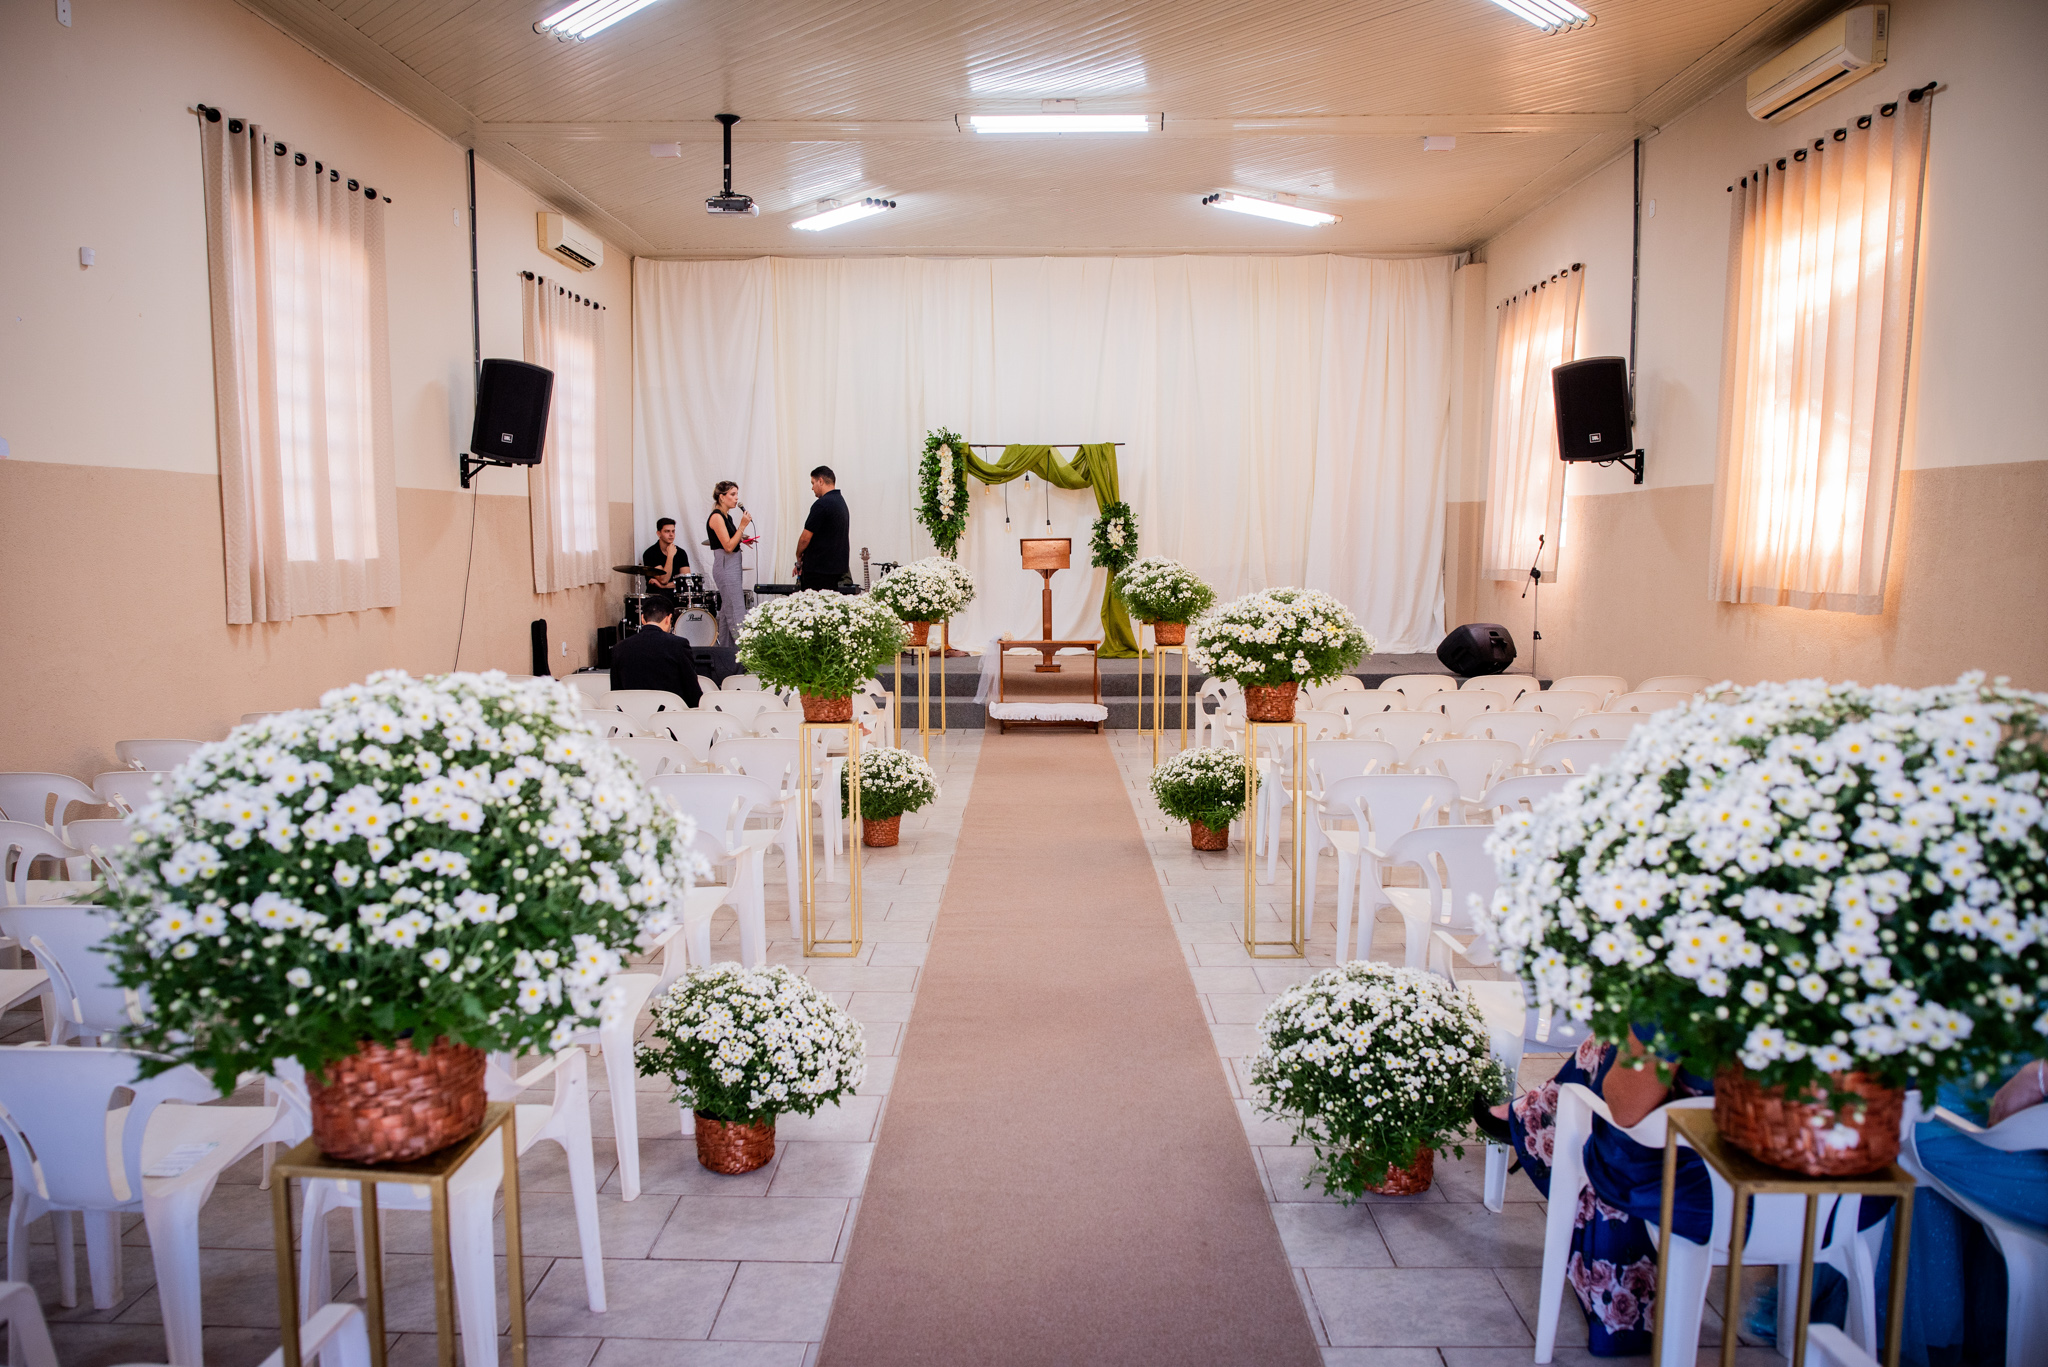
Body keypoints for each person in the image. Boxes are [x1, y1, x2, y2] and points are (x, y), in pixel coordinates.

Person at [1476, 1030, 1715, 1354]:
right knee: (1612, 1046)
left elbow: (1627, 1110)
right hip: (1781, 1206)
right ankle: (1529, 1112)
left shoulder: (1681, 1005)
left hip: (1689, 1194)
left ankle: (1531, 1115)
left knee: (1608, 1057)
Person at [607, 591, 702, 710]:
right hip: (670, 717)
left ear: (642, 618)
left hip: (633, 716)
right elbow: (692, 690)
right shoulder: (678, 645)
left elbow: (616, 693)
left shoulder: (619, 648)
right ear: (668, 619)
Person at [705, 481, 751, 645]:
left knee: (726, 612)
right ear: (721, 497)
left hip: (732, 565)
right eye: (732, 494)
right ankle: (744, 650)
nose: (736, 498)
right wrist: (742, 526)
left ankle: (726, 652)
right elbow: (728, 546)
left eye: (737, 494)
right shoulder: (717, 517)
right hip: (726, 566)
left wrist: (743, 538)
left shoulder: (727, 517)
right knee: (736, 610)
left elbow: (731, 539)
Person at [793, 465, 849, 592]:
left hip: (818, 570)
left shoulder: (822, 504)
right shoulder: (841, 503)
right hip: (835, 569)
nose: (812, 487)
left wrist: (798, 557)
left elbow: (805, 538)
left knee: (812, 602)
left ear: (821, 481)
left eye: (813, 483)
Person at [642, 517, 688, 590]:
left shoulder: (681, 552)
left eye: (673, 531)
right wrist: (670, 556)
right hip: (657, 594)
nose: (671, 534)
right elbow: (664, 579)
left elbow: (686, 580)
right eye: (667, 531)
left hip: (676, 594)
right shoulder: (650, 553)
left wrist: (664, 586)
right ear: (659, 533)